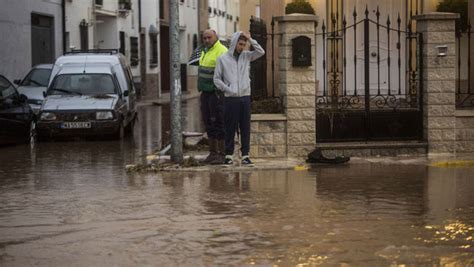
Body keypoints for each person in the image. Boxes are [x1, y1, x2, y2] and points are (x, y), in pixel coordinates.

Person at [213, 31, 265, 166]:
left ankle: (245, 156)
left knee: (245, 127)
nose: (242, 47)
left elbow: (261, 52)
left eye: (244, 44)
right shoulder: (222, 59)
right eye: (240, 44)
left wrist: (250, 39)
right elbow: (217, 79)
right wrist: (228, 89)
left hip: (245, 97)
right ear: (234, 43)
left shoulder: (246, 56)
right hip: (231, 98)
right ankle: (228, 155)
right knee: (230, 127)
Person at [198, 29, 228, 164]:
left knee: (219, 121)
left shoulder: (221, 51)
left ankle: (222, 153)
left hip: (217, 93)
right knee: (208, 122)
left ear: (216, 36)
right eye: (204, 38)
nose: (206, 40)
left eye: (209, 37)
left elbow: (226, 73)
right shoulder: (205, 51)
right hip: (205, 92)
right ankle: (212, 153)